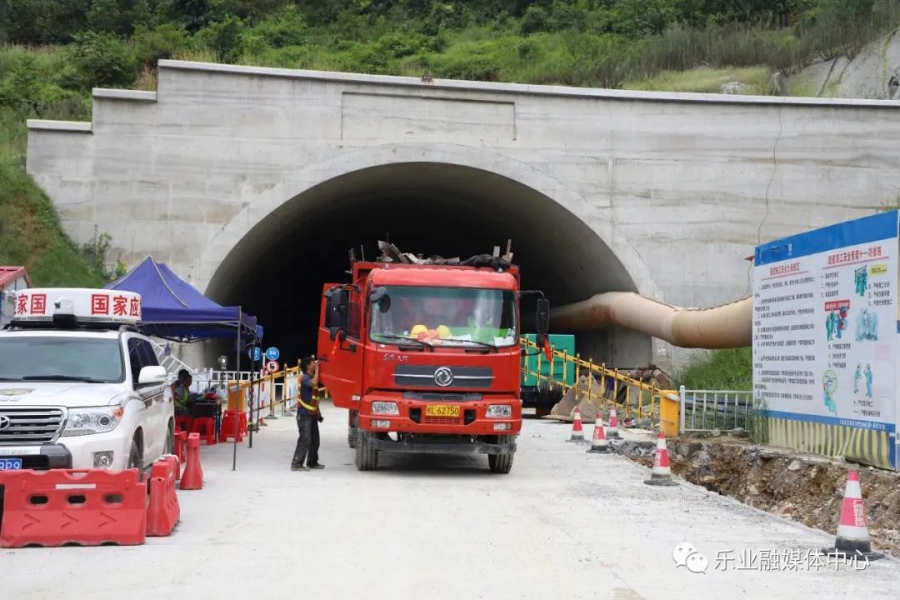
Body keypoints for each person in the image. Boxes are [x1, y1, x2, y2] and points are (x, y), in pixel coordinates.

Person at [291, 356, 324, 471]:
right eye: (313, 363)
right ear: (308, 366)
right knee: (305, 439)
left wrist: (318, 414)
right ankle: (296, 464)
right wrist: (318, 369)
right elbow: (314, 383)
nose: (315, 364)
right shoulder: (304, 378)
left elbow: (315, 399)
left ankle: (312, 462)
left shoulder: (310, 377)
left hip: (312, 414)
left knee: (315, 440)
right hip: (304, 415)